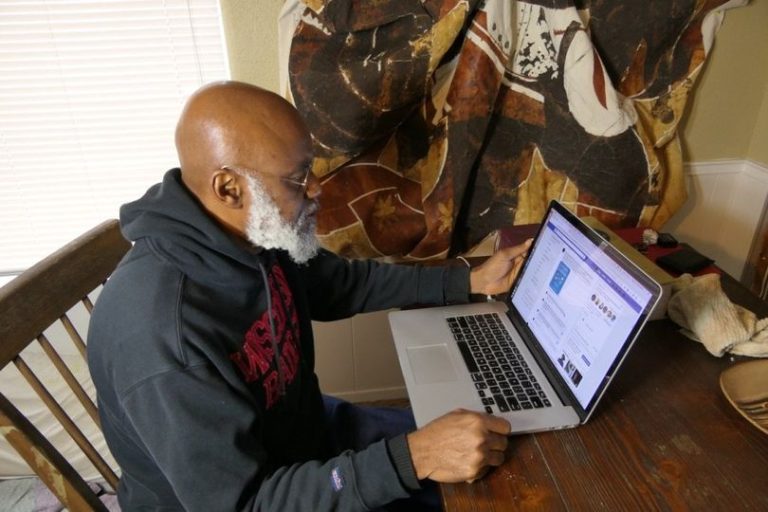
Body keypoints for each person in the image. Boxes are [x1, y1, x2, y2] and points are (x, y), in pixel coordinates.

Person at [87, 81, 532, 511]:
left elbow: (343, 284)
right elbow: (246, 504)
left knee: (505, 444)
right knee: (490, 483)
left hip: (308, 435)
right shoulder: (163, 337)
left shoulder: (252, 234)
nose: (317, 188)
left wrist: (469, 281)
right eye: (298, 177)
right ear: (229, 188)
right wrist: (416, 457)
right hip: (264, 493)